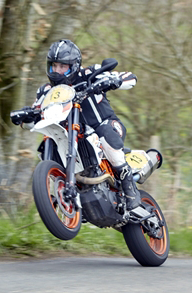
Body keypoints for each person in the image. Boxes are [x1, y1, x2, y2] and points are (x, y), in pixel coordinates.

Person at [11, 39, 140, 208]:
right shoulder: (46, 92)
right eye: (54, 66)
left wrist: (113, 81)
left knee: (105, 132)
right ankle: (59, 190)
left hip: (106, 126)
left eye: (62, 67)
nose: (57, 71)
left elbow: (130, 78)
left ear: (74, 65)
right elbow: (37, 113)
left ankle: (129, 186)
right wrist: (25, 116)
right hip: (72, 136)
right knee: (47, 140)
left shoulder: (90, 74)